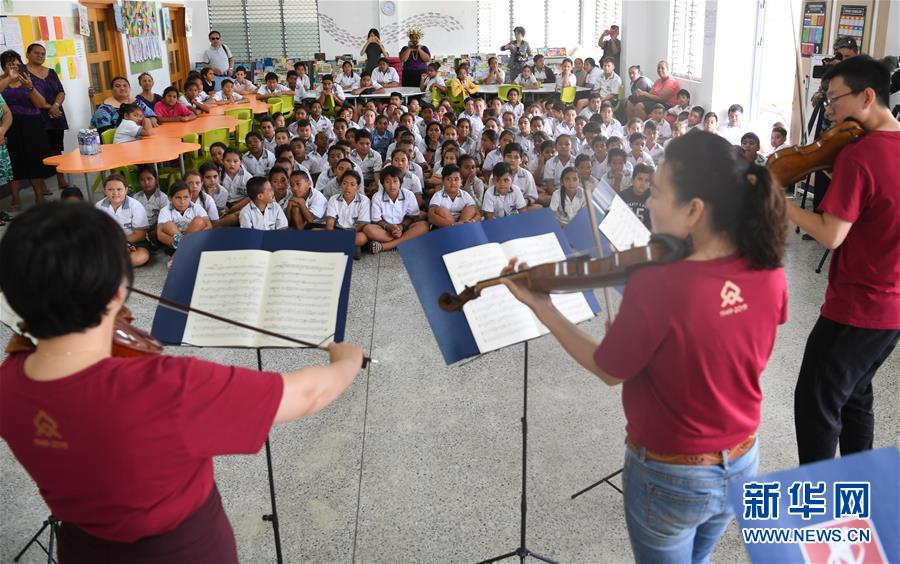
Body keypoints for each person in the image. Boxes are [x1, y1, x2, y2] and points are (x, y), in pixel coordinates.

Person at [0, 200, 363, 563]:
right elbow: (309, 394)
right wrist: (347, 360)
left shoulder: (9, 384)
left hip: (83, 548)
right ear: (116, 292)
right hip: (182, 550)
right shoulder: (165, 387)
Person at [501, 130, 787, 563]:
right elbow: (721, 343)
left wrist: (543, 307)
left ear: (694, 210)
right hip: (743, 460)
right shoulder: (769, 269)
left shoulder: (660, 284)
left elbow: (608, 370)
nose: (648, 204)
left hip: (672, 473)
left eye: (656, 193)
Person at [785, 56, 900, 464]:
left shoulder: (860, 155)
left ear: (868, 96)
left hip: (858, 307)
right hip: (892, 309)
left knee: (815, 403)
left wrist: (779, 204)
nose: (829, 112)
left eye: (835, 101)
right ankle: (860, 489)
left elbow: (832, 234)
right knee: (854, 396)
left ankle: (817, 515)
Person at [1, 50, 53, 211]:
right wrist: (9, 78)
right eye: (9, 64)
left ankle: (39, 194)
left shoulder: (29, 79)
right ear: (3, 67)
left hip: (32, 124)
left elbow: (40, 103)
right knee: (14, 162)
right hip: (10, 126)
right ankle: (15, 198)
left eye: (16, 63)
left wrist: (30, 87)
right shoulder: (2, 80)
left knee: (34, 160)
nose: (14, 66)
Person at [26, 43, 70, 190]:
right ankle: (41, 183)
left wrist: (56, 106)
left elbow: (61, 91)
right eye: (36, 53)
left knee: (56, 148)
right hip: (35, 116)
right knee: (39, 150)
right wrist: (49, 107)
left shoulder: (51, 72)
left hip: (55, 115)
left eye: (43, 54)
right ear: (28, 54)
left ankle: (60, 177)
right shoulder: (23, 73)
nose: (40, 56)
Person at [91, 76, 158, 132]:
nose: (122, 88)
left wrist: (152, 119)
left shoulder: (137, 102)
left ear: (130, 88)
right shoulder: (104, 109)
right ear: (112, 90)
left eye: (125, 86)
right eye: (117, 86)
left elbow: (151, 114)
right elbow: (104, 132)